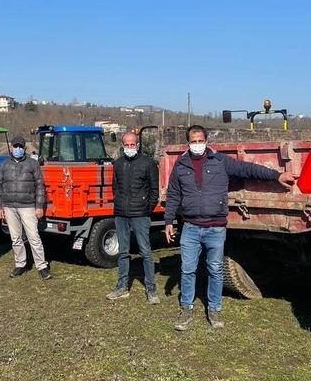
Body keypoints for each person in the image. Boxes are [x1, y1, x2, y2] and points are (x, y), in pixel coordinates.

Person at [164, 125, 296, 331]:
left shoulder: (220, 161)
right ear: (188, 143)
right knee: (187, 270)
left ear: (206, 141)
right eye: (193, 141)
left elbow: (248, 169)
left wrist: (276, 175)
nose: (197, 145)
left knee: (215, 270)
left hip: (215, 228)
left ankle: (214, 309)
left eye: (200, 140)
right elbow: (173, 195)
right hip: (190, 227)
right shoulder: (181, 166)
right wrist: (168, 221)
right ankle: (186, 310)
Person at [106, 132, 160, 304]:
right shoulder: (118, 164)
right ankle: (122, 287)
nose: (130, 147)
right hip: (121, 213)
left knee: (145, 252)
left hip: (140, 214)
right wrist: (119, 203)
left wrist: (146, 209)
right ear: (122, 145)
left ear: (137, 145)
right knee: (123, 252)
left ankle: (151, 289)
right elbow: (115, 187)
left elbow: (154, 191)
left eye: (132, 144)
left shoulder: (148, 163)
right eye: (127, 145)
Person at [0, 135, 51, 280]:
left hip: (28, 206)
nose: (17, 149)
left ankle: (42, 266)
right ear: (11, 148)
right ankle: (20, 264)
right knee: (15, 238)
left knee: (34, 237)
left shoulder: (32, 164)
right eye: (15, 146)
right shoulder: (4, 165)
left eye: (20, 146)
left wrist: (39, 206)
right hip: (9, 206)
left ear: (24, 148)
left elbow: (40, 185)